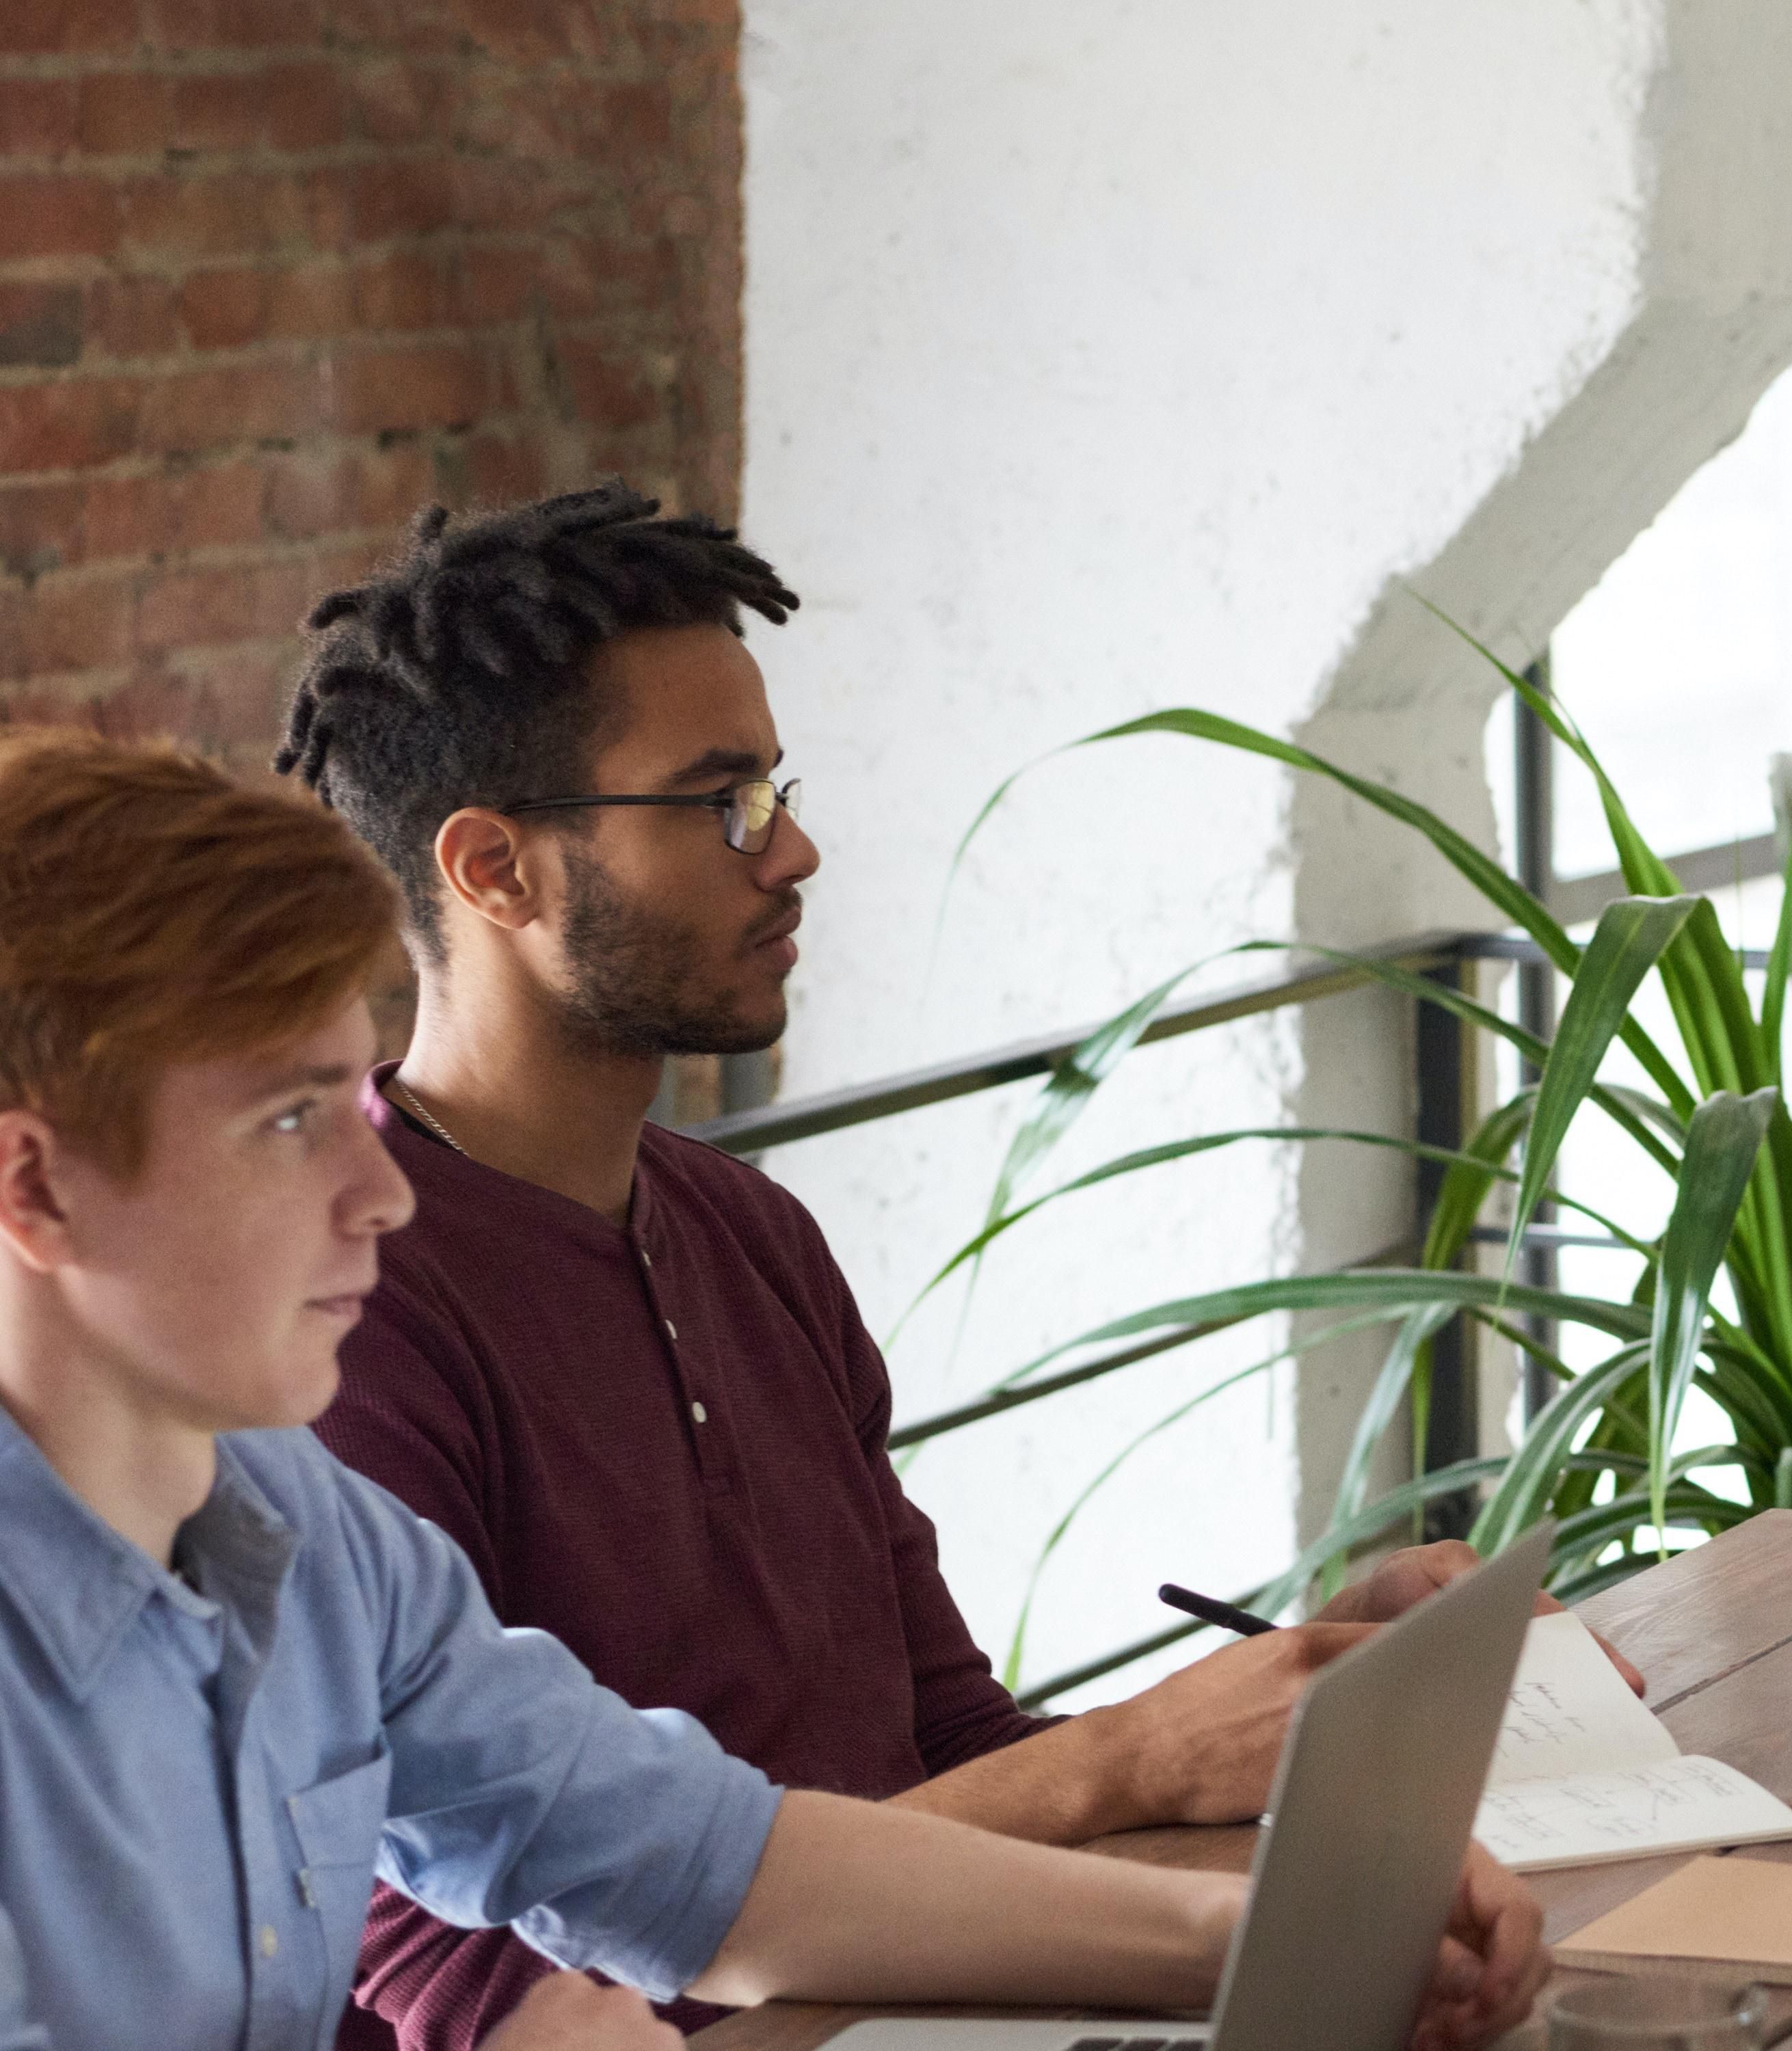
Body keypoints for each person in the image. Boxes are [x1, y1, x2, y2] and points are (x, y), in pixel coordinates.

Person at [269, 483, 1624, 2048]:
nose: (793, 852)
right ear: (495, 869)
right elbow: (498, 1974)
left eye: (774, 789)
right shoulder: (335, 1314)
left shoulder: (746, 1231)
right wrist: (1138, 1767)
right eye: (720, 804)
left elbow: (945, 1743)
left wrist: (1274, 1747)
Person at [0, 731, 1546, 2051]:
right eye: (286, 1123)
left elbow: (711, 1873)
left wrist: (1274, 1943)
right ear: (37, 1188)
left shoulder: (310, 1536)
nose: (381, 1192)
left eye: (353, 1096)